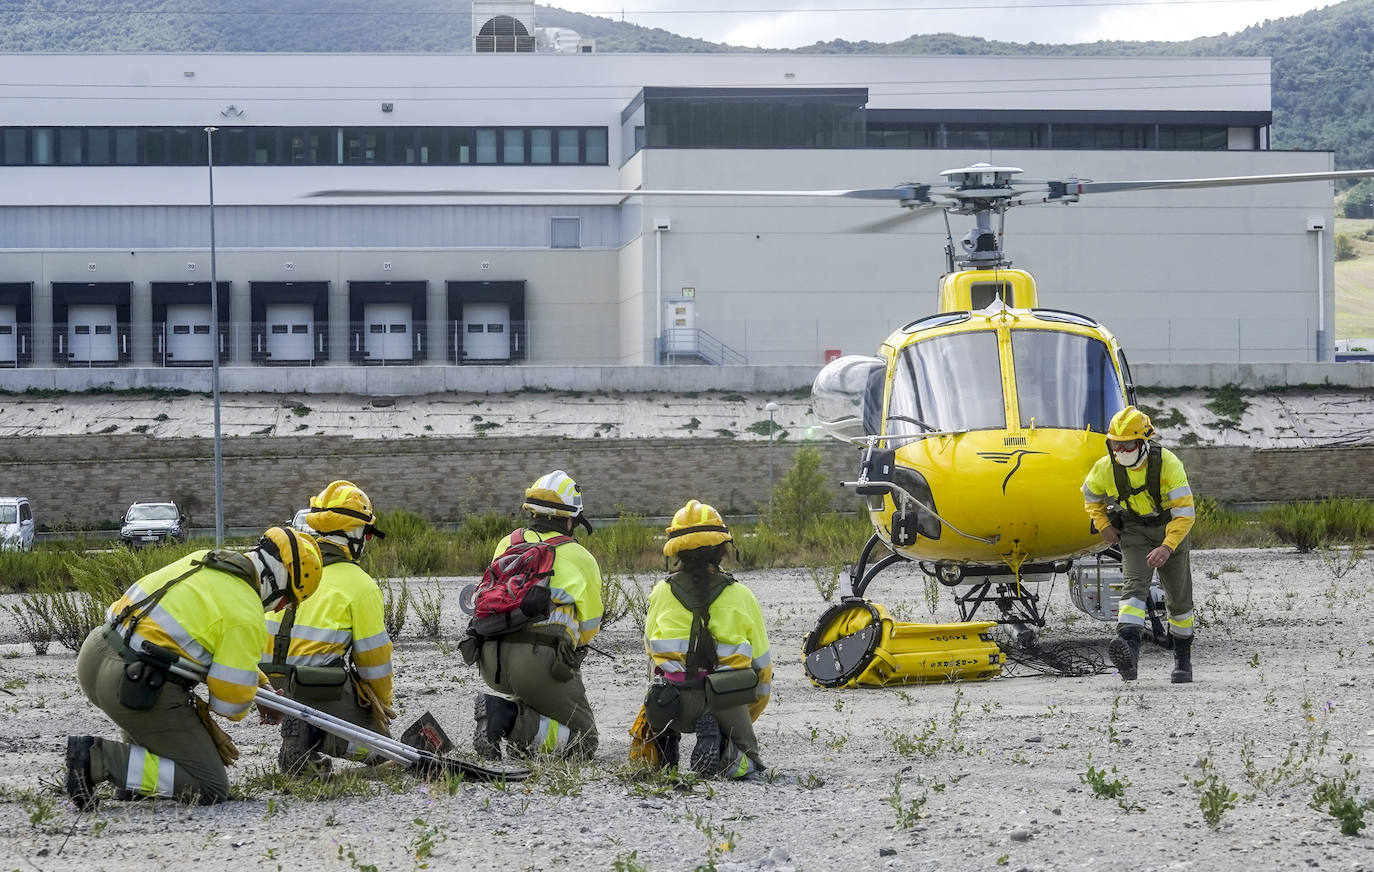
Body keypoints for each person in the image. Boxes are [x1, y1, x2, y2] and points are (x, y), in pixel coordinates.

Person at [66, 527, 322, 809]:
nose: (278, 608)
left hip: (96, 656)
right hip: (134, 685)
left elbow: (204, 640)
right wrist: (258, 699)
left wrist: (260, 685)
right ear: (279, 582)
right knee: (210, 785)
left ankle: (133, 777)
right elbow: (229, 705)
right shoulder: (246, 612)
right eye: (288, 600)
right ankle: (97, 759)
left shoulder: (203, 559)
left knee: (167, 730)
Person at [471, 470, 603, 760]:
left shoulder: (507, 543)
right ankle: (505, 717)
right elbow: (590, 627)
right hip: (536, 661)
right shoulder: (579, 556)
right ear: (570, 519)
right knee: (584, 742)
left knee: (537, 710)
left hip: (490, 658)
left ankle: (521, 725)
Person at [265, 481, 393, 775]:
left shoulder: (293, 566)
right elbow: (374, 660)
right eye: (368, 536)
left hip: (270, 684)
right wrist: (382, 708)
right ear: (357, 534)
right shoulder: (359, 584)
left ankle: (305, 745)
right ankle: (312, 734)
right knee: (381, 750)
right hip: (312, 685)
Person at [642, 500, 771, 779]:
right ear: (722, 550)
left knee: (659, 673)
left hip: (672, 703)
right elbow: (763, 670)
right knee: (751, 768)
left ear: (676, 551)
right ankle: (725, 749)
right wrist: (744, 717)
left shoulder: (660, 594)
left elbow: (651, 653)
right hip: (726, 701)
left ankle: (666, 746)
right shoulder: (742, 595)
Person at [1083, 405, 1197, 683]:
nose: (1121, 451)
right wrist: (1104, 525)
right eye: (1115, 445)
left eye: (1127, 445)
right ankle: (1129, 654)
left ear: (1143, 441)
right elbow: (1090, 497)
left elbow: (1185, 513)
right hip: (1133, 530)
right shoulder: (1104, 469)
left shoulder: (1168, 463)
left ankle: (1182, 661)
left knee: (1179, 600)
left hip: (1170, 528)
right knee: (1133, 591)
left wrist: (1167, 547)